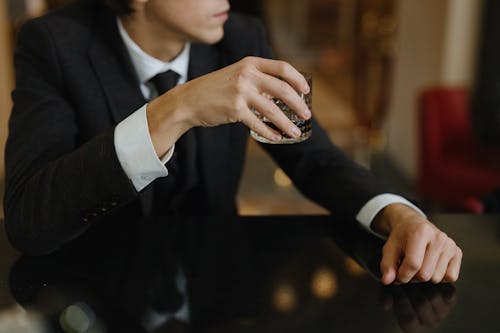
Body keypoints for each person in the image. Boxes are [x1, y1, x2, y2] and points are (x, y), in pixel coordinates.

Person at [4, 0, 462, 285]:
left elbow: (315, 160)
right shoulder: (54, 44)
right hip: (94, 290)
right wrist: (175, 109)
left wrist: (398, 215)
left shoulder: (240, 36)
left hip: (215, 288)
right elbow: (28, 221)